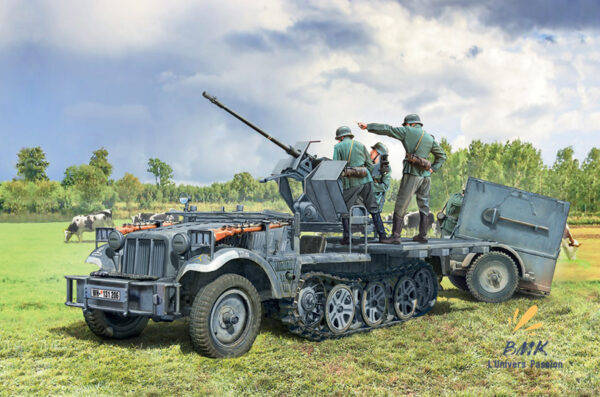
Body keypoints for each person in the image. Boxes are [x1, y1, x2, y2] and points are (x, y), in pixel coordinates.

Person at [357, 114, 446, 244]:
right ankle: (423, 235)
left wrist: (368, 127)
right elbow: (442, 156)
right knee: (424, 204)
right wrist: (433, 168)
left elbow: (388, 129)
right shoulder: (428, 137)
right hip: (426, 177)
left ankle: (395, 236)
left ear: (409, 124)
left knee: (401, 203)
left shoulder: (407, 131)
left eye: (405, 125)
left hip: (412, 174)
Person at [333, 126, 387, 244]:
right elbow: (369, 165)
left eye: (338, 138)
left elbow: (336, 166)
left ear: (341, 137)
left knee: (344, 209)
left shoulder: (338, 147)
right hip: (366, 179)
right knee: (373, 207)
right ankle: (383, 236)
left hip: (351, 182)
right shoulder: (361, 145)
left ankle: (347, 238)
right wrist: (363, 173)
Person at [370, 142, 392, 213]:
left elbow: (385, 186)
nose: (371, 152)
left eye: (374, 151)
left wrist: (369, 186)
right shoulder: (367, 164)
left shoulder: (386, 168)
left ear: (379, 154)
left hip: (376, 201)